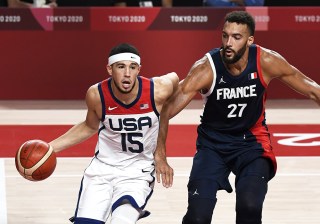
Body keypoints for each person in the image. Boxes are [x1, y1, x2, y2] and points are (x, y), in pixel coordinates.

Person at [155, 10, 320, 224]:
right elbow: (166, 109)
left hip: (251, 144)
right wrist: (160, 155)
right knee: (197, 218)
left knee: (249, 207)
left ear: (250, 40)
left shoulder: (266, 61)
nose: (228, 43)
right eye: (225, 35)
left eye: (236, 37)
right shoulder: (207, 68)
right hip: (212, 145)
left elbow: (313, 90)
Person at [49, 43, 178, 224]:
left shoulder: (157, 89)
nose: (127, 73)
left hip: (137, 172)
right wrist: (50, 148)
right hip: (102, 169)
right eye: (121, 67)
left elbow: (175, 78)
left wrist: (161, 148)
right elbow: (89, 126)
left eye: (132, 67)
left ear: (139, 69)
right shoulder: (97, 94)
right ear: (109, 69)